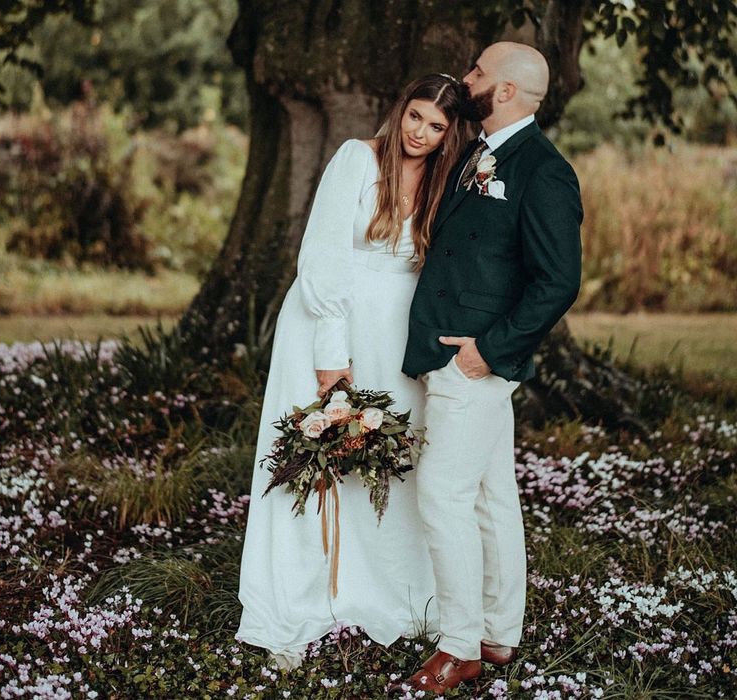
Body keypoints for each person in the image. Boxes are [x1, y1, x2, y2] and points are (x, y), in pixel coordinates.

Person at [236, 74, 467, 670]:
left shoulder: (447, 179)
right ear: (401, 110)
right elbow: (322, 258)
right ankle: (306, 592)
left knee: (387, 457)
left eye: (436, 126)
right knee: (318, 457)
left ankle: (387, 591)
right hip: (329, 323)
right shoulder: (356, 159)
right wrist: (331, 356)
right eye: (415, 117)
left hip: (398, 336)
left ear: (449, 134)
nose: (420, 133)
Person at [402, 42, 583, 694]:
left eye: (478, 71)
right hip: (448, 353)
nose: (467, 77)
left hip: (473, 361)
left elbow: (558, 279)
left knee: (443, 495)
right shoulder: (478, 153)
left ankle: (459, 648)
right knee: (489, 497)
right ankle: (499, 634)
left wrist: (490, 349)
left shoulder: (542, 170)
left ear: (504, 90)